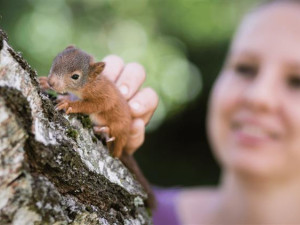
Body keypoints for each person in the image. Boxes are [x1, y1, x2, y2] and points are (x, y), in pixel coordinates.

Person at [98, 0, 300, 223]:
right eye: (245, 68)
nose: (258, 96)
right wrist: (88, 135)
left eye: (296, 82)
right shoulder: (121, 214)